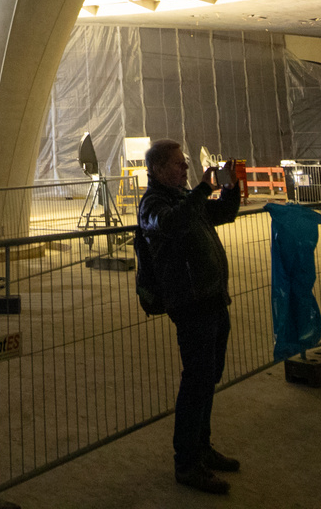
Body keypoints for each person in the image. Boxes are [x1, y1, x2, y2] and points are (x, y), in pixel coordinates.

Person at [138, 139, 243, 494]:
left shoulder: (184, 199)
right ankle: (187, 462)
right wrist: (201, 189)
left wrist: (230, 190)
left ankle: (202, 447)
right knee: (196, 381)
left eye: (185, 164)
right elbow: (169, 225)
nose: (186, 169)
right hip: (190, 302)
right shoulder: (153, 204)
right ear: (158, 170)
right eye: (179, 164)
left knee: (208, 377)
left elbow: (223, 215)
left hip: (212, 297)